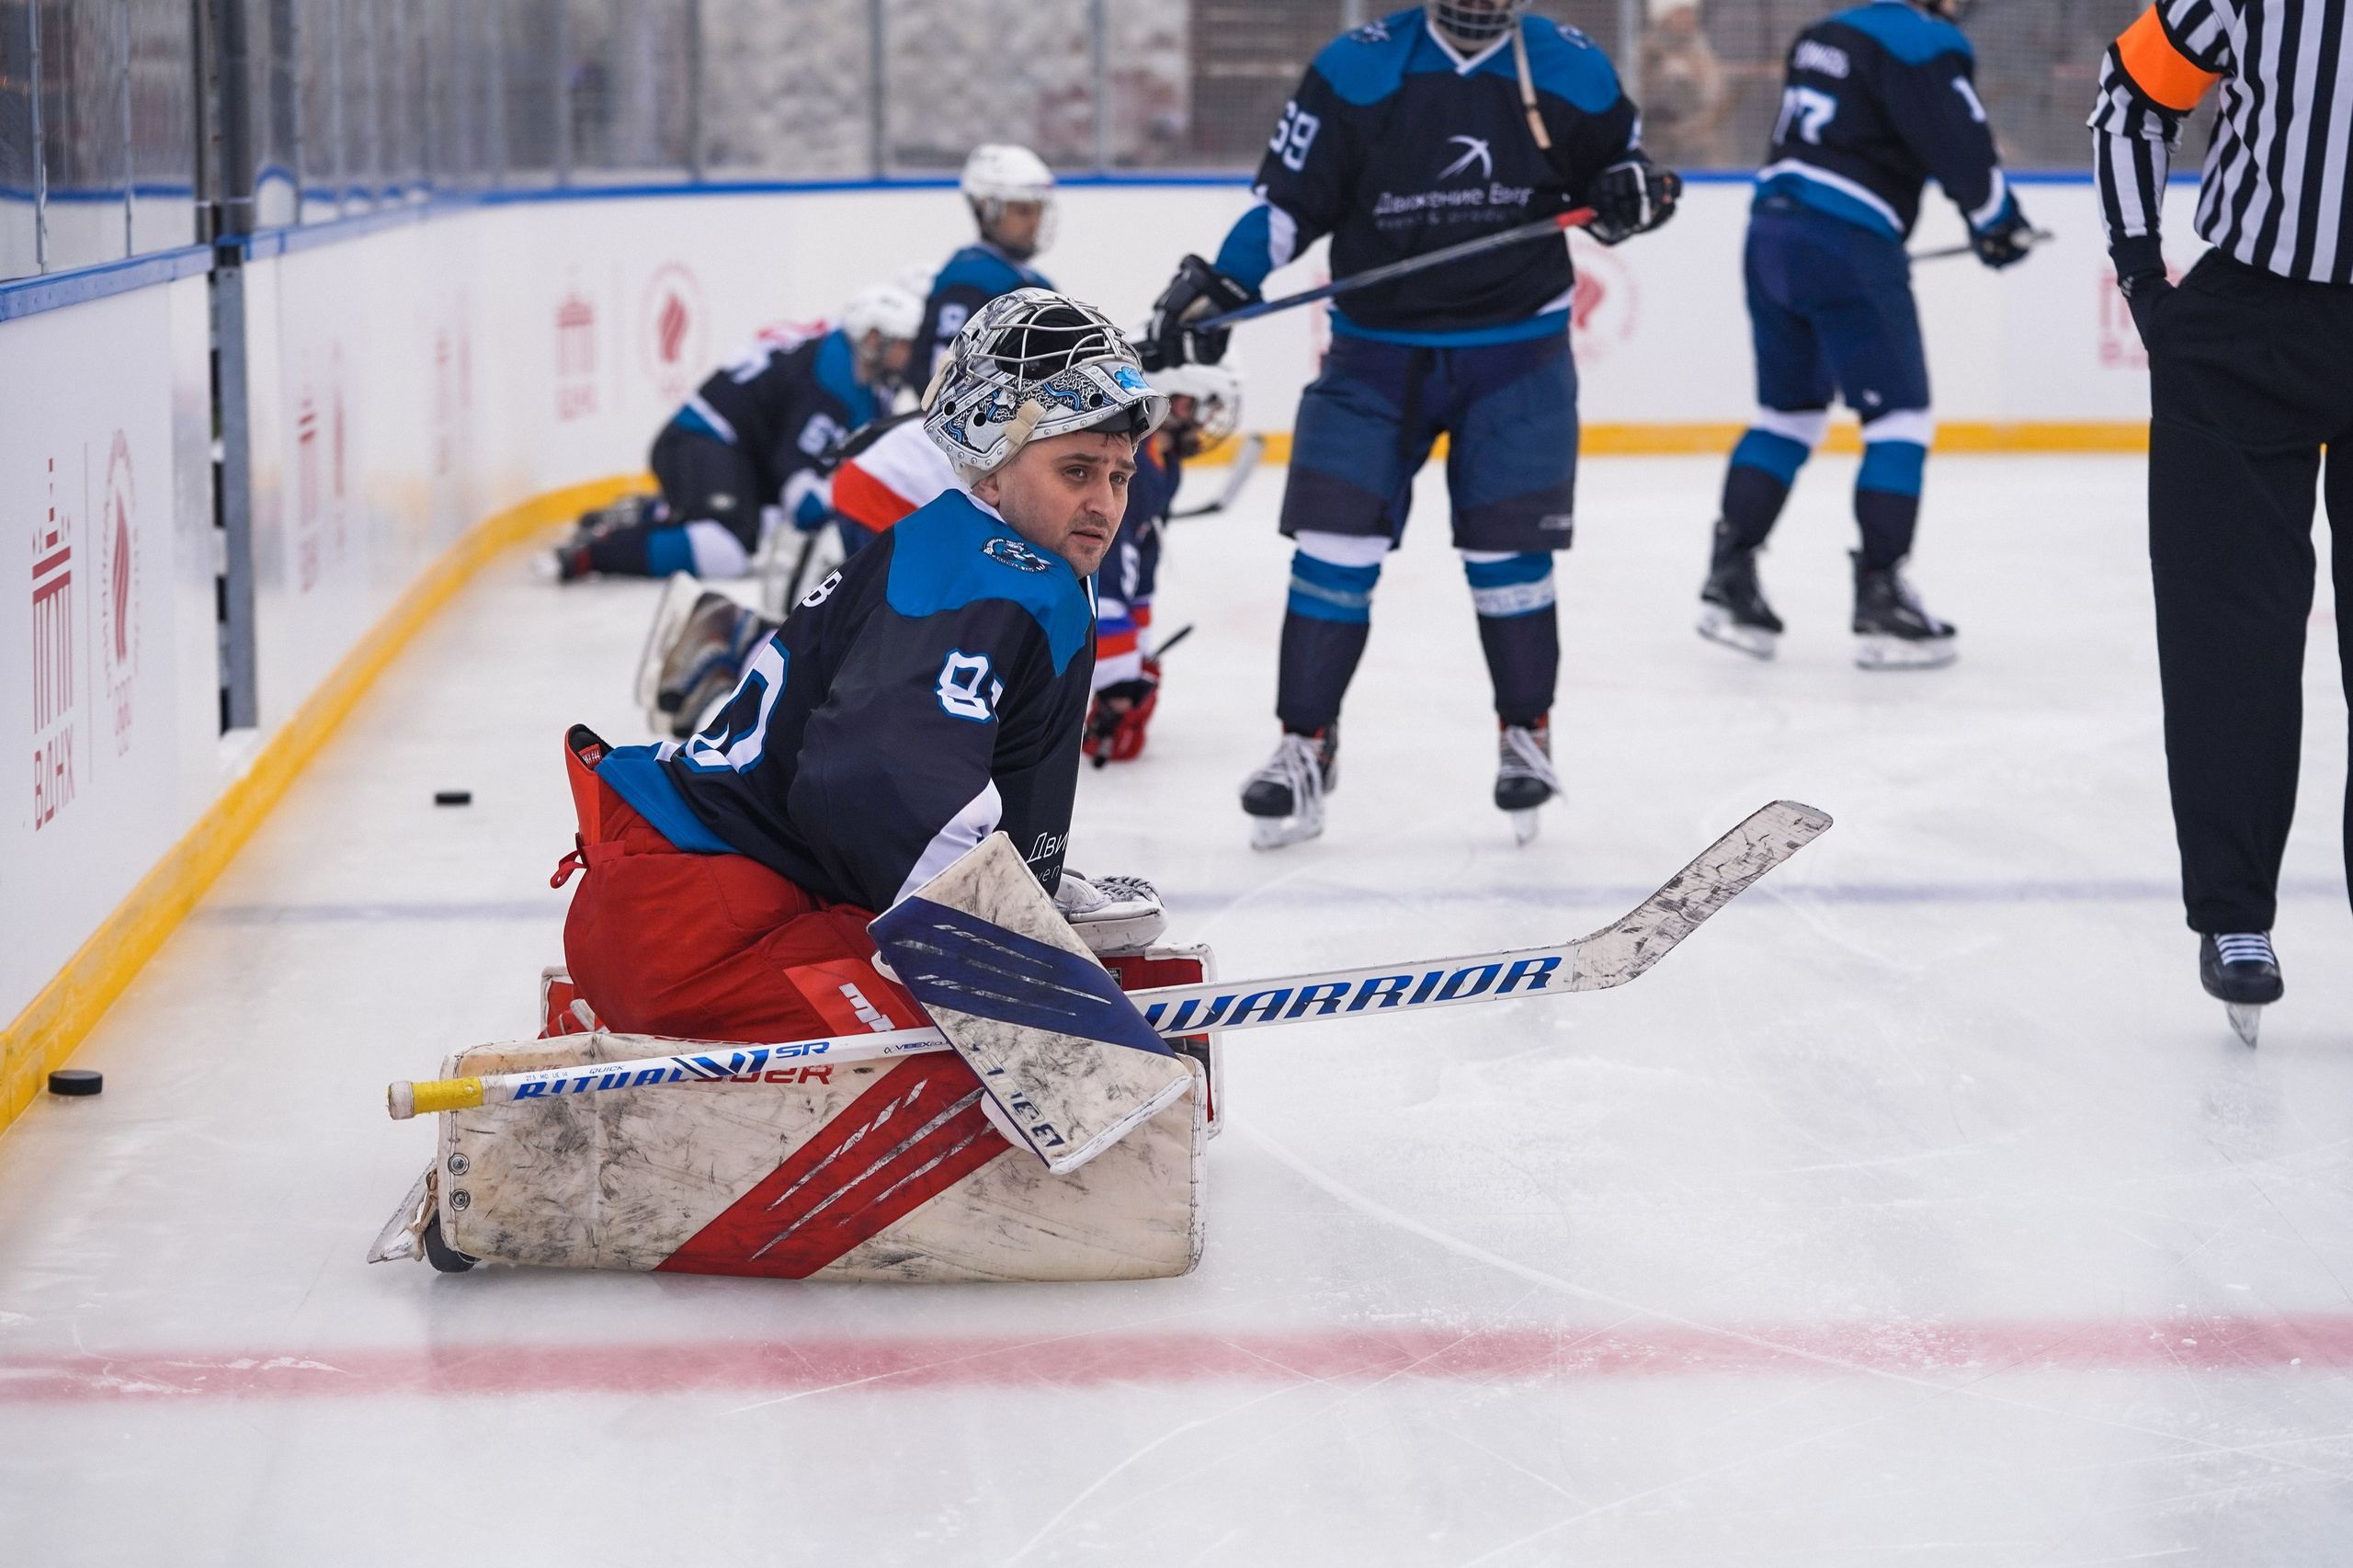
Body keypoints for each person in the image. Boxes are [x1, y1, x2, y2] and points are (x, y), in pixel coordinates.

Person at [556, 289, 1171, 1049]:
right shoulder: (998, 581)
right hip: (702, 935)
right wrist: (1002, 945)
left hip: (696, 908)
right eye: (1076, 470)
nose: (1104, 503)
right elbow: (877, 779)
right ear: (991, 466)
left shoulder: (965, 548)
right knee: (1062, 1048)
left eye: (1119, 476)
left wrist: (1019, 890)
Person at [1140, 0, 1680, 848]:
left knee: (1508, 556)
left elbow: (1629, 181)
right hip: (1375, 355)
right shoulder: (1356, 68)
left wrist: (1635, 192)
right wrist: (1224, 280)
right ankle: (1304, 745)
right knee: (1333, 545)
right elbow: (1287, 205)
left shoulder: (1570, 67)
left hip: (1518, 353)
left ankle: (1525, 734)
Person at [2088, 0, 2353, 1040]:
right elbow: (2130, 100)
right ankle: (2234, 915)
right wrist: (2141, 272)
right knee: (2227, 637)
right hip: (2247, 331)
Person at [640, 363, 1245, 752]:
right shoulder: (1119, 445)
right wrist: (1115, 683)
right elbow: (1107, 582)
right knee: (898, 651)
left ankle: (742, 642)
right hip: (896, 489)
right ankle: (737, 640)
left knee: (912, 640)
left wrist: (1124, 671)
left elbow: (1126, 580)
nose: (1210, 423)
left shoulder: (1137, 453)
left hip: (909, 479)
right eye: (1204, 404)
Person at [1695, 0, 2038, 669]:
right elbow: (1957, 137)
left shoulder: (1823, 33)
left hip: (1770, 228)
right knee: (1899, 421)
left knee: (1785, 416)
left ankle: (1728, 580)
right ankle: (1881, 597)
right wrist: (1997, 220)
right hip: (1847, 237)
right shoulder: (1919, 38)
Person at [550, 283, 923, 582]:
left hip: (728, 448)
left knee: (760, 526)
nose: (912, 355)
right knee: (726, 547)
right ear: (874, 339)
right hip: (701, 438)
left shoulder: (854, 365)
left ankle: (650, 514)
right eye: (906, 343)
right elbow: (798, 487)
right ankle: (593, 553)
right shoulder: (839, 376)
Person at [917, 144, 1059, 381]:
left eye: (1039, 210)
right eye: (1023, 210)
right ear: (987, 208)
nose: (1035, 222)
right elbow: (938, 381)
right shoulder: (967, 283)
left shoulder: (1035, 281)